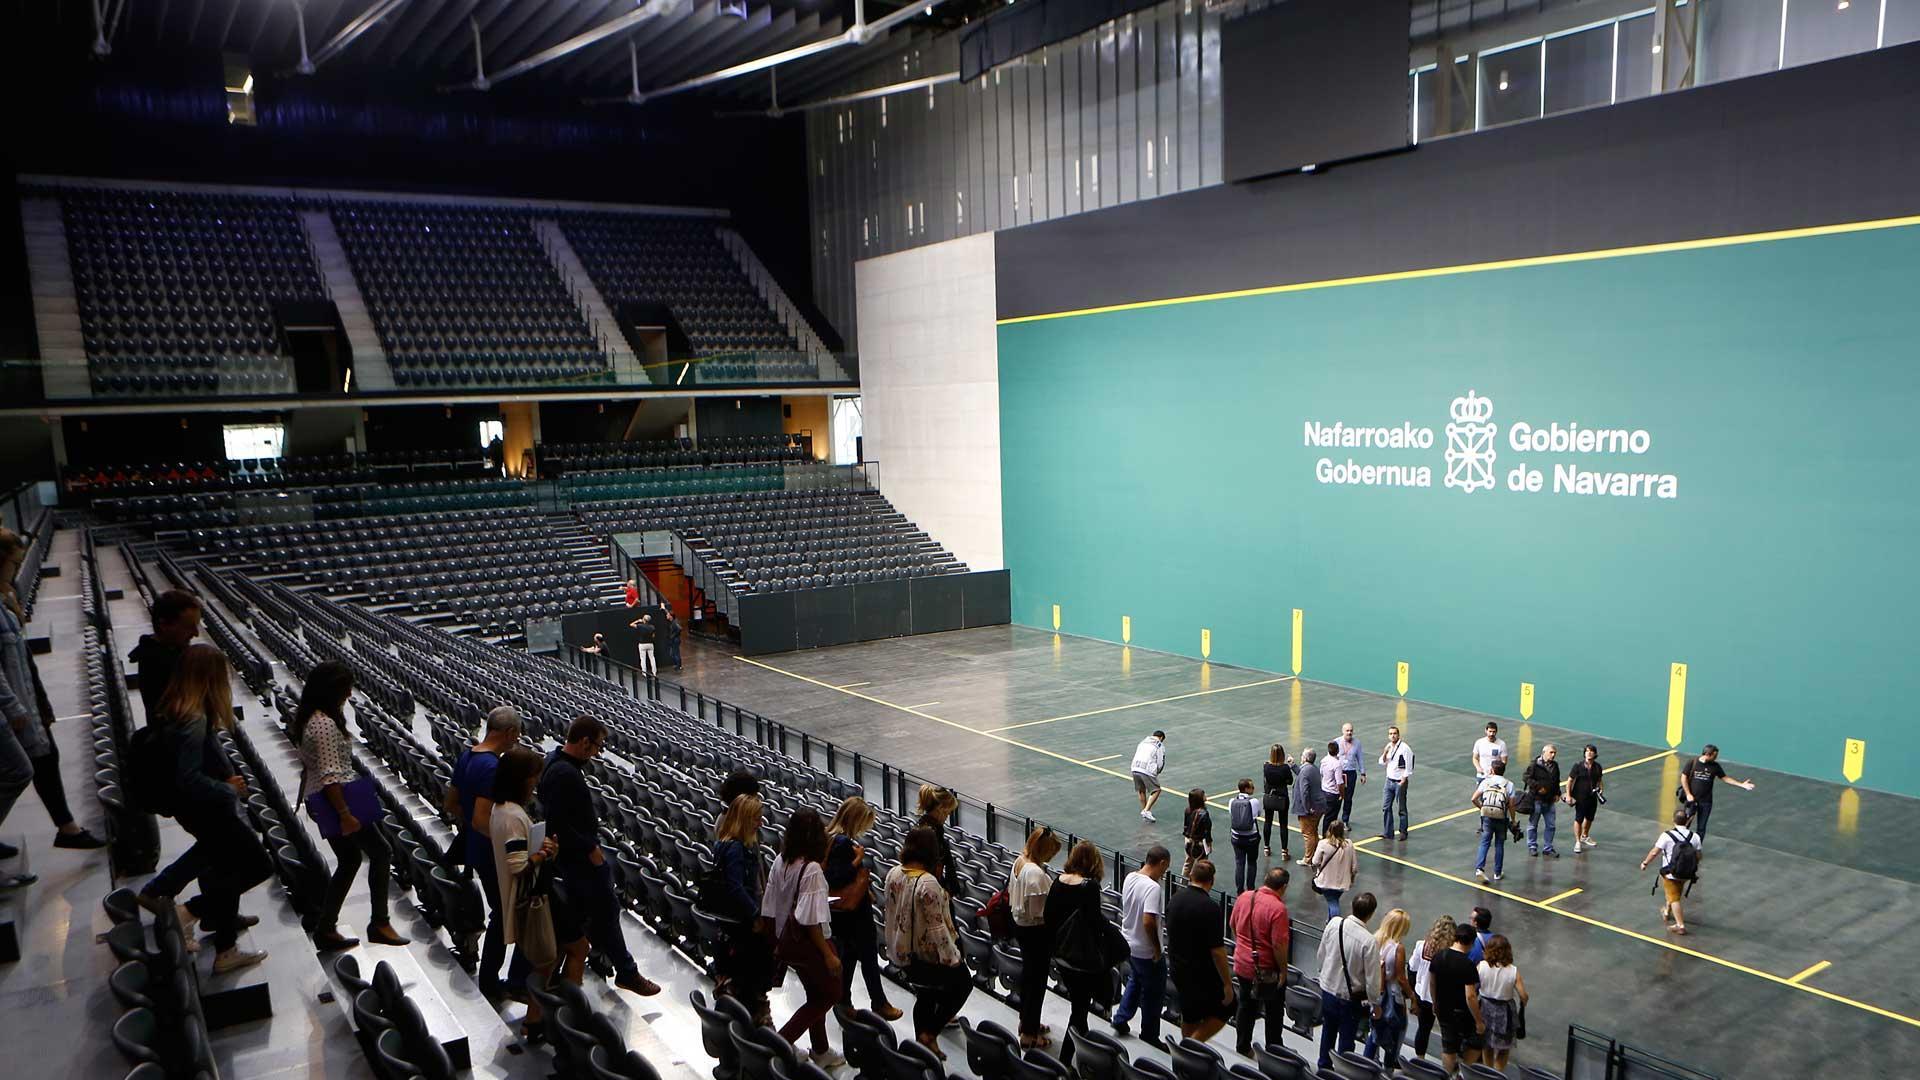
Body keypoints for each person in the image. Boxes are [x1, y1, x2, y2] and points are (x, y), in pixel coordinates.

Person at [134, 645, 273, 973]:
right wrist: (227, 787)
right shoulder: (193, 720)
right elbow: (188, 777)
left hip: (200, 810)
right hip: (209, 809)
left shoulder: (179, 708)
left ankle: (225, 949)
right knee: (257, 867)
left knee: (224, 869)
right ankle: (188, 912)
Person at [1, 533, 106, 859]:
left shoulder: (5, 598)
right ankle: (67, 828)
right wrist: (17, 708)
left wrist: (38, 703)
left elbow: (22, 661)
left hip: (26, 695)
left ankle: (67, 827)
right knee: (23, 768)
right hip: (13, 705)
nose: (17, 569)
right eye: (14, 562)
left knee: (45, 756)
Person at [541, 715, 661, 995]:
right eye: (597, 746)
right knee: (606, 912)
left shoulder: (554, 763)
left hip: (576, 857)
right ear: (584, 742)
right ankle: (627, 972)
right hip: (581, 859)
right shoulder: (564, 773)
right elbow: (558, 822)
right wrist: (590, 849)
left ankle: (554, 977)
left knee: (584, 918)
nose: (597, 752)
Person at [291, 661, 405, 952]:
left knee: (351, 860)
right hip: (338, 800)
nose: (349, 694)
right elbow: (331, 775)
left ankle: (326, 928)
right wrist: (345, 814)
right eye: (344, 689)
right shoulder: (325, 724)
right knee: (381, 852)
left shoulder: (310, 718)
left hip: (327, 798)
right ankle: (379, 922)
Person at [490, 747, 588, 1037]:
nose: (536, 782)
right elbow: (518, 864)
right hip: (538, 897)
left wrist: (546, 850)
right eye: (533, 776)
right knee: (577, 948)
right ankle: (572, 1014)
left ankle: (534, 1020)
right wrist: (543, 854)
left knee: (549, 959)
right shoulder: (512, 816)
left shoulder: (502, 809)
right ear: (520, 779)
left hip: (537, 892)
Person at [447, 705, 524, 997]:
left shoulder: (468, 755)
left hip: (476, 849)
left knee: (502, 912)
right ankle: (491, 982)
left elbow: (451, 803)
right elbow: (481, 819)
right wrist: (509, 844)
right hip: (491, 853)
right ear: (510, 733)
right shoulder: (491, 767)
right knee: (503, 915)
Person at [763, 807, 844, 1068]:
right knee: (830, 993)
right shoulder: (812, 870)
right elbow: (810, 921)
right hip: (807, 944)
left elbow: (770, 904)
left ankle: (821, 1050)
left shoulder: (780, 861)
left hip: (786, 941)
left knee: (814, 992)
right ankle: (781, 1042)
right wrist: (828, 955)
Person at [883, 826, 971, 1059]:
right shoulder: (928, 883)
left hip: (902, 954)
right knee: (963, 985)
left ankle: (924, 1044)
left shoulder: (893, 873)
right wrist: (952, 958)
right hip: (927, 958)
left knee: (925, 996)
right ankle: (929, 1034)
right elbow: (938, 928)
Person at [827, 796, 900, 1021]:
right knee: (868, 955)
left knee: (849, 957)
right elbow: (835, 877)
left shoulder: (830, 838)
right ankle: (878, 1002)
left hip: (843, 912)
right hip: (854, 914)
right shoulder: (842, 843)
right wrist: (857, 861)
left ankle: (844, 1000)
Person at [1046, 841, 1113, 1069]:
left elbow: (1049, 916)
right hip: (1080, 959)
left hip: (1061, 954)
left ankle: (1073, 1056)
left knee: (1079, 1007)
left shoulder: (1057, 881)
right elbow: (1095, 925)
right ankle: (1066, 1060)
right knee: (1080, 1010)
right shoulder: (1090, 887)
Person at [712, 794, 771, 1023]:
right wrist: (756, 914)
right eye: (756, 818)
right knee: (750, 973)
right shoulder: (737, 848)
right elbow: (736, 887)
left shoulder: (723, 844)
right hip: (742, 923)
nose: (760, 822)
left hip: (730, 922)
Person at [1167, 859, 1234, 1042]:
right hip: (1200, 973)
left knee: (1190, 1013)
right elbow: (1217, 951)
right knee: (1228, 1007)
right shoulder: (1210, 907)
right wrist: (1227, 983)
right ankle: (1191, 1046)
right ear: (1211, 881)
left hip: (1177, 968)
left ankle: (1187, 1050)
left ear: (1191, 876)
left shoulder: (1175, 898)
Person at [1008, 826, 1063, 1048]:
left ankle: (1027, 1022)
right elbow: (1040, 914)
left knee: (1029, 978)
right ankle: (1029, 1034)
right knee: (1036, 983)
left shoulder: (1020, 861)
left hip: (1022, 928)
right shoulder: (1036, 875)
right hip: (1035, 934)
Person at [1109, 844, 1170, 1042]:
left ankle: (1121, 1016)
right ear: (1161, 863)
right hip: (1146, 950)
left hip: (1128, 943)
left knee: (1135, 981)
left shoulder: (1130, 877)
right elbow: (1148, 920)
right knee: (1154, 994)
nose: (1164, 873)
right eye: (1165, 868)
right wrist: (1156, 948)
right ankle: (1150, 1035)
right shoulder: (1153, 888)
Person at [1315, 892, 1382, 1070]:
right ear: (1371, 914)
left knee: (1328, 1030)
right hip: (1349, 998)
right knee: (1346, 1039)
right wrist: (1375, 1003)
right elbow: (1372, 979)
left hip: (1328, 989)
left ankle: (1324, 1067)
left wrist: (1323, 973)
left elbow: (1321, 953)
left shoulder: (1334, 924)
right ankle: (1343, 1071)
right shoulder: (1369, 941)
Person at [1230, 867, 1291, 1056]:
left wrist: (1243, 947)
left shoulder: (1245, 897)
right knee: (1274, 1011)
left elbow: (1232, 924)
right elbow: (1279, 945)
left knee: (1245, 1005)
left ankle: (1243, 1047)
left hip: (1241, 963)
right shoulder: (1278, 909)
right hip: (1265, 969)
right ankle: (1273, 1050)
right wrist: (1283, 970)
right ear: (1284, 887)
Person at [128, 590, 203, 720]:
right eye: (188, 626)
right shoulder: (158, 663)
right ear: (164, 625)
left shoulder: (171, 652)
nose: (196, 633)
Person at [1432, 922, 1487, 1075]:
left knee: (1448, 1045)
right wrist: (1478, 1021)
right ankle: (1463, 1072)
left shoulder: (1438, 956)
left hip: (1443, 1007)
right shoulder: (1467, 965)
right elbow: (1470, 996)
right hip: (1461, 1012)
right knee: (1477, 1041)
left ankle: (1446, 1074)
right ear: (1471, 942)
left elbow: (1432, 982)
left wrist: (1435, 1002)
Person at [1363, 908, 1413, 1070]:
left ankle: (1365, 1066)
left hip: (1374, 991)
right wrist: (1412, 996)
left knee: (1375, 1031)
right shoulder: (1398, 948)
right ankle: (1388, 1069)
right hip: (1393, 996)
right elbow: (1400, 977)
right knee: (1395, 1033)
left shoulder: (1374, 939)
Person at [1639, 808, 1702, 935]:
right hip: (1686, 873)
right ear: (1687, 820)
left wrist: (1645, 863)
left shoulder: (1666, 836)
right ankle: (1667, 911)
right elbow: (1699, 855)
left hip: (1670, 873)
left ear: (1673, 820)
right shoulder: (1695, 837)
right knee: (1675, 892)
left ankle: (1680, 925)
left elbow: (1654, 852)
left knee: (1674, 898)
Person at [1680, 744, 1755, 845]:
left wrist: (1741, 784)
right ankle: (1679, 845)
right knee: (1685, 824)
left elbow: (1725, 778)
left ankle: (1697, 848)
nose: (1716, 758)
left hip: (1706, 802)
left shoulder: (1715, 766)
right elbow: (1683, 778)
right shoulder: (1692, 762)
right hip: (1691, 800)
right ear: (1707, 754)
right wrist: (1688, 794)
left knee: (1701, 828)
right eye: (1714, 756)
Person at [1475, 934, 1528, 1071]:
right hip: (1505, 1011)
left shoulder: (1481, 966)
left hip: (1485, 1008)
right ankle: (1498, 1074)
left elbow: (1472, 986)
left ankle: (1488, 1071)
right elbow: (1523, 995)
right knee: (1504, 1048)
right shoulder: (1513, 971)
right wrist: (1523, 1002)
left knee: (1487, 1045)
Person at [1408, 915, 1456, 1062]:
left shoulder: (1421, 945)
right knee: (1447, 1033)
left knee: (1423, 1028)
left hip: (1422, 994)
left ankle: (1419, 1059)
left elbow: (1411, 969)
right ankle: (1447, 1064)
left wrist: (1413, 994)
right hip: (1442, 998)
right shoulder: (1450, 953)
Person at [1472, 760, 1515, 882]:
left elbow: (1474, 798)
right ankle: (1497, 872)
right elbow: (1512, 805)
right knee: (1499, 844)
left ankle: (1479, 868)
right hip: (1501, 817)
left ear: (1492, 770)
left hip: (1487, 817)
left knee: (1485, 842)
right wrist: (1513, 820)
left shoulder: (1486, 782)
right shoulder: (1509, 785)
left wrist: (1483, 808)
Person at [915, 784, 962, 895]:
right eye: (947, 812)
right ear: (940, 809)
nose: (947, 817)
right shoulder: (932, 835)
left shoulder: (920, 828)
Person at [1522, 744, 1567, 858]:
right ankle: (1532, 846)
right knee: (1533, 825)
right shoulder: (1535, 765)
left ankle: (1548, 848)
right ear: (1544, 752)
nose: (1553, 755)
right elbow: (1526, 777)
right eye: (1551, 752)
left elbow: (1556, 781)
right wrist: (1538, 787)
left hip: (1550, 800)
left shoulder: (1555, 766)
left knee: (1551, 825)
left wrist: (1558, 793)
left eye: (1554, 753)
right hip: (1536, 800)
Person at [1310, 820, 1356, 922]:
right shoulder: (1349, 844)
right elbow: (1354, 867)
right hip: (1343, 882)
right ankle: (1330, 920)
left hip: (1326, 881)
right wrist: (1352, 879)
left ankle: (1334, 923)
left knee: (1333, 903)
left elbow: (1315, 861)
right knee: (1334, 901)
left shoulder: (1323, 843)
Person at [1378, 725, 1414, 842]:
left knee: (1401, 808)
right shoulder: (1389, 747)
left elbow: (1410, 763)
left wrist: (1404, 778)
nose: (1393, 735)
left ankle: (1403, 831)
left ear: (1398, 735)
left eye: (1395, 733)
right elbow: (1382, 762)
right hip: (1389, 780)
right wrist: (1384, 752)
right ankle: (1388, 832)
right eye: (1391, 734)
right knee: (1386, 806)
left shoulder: (1404, 748)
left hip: (1399, 781)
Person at [1226, 779, 1261, 894]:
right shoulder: (1253, 801)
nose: (1253, 789)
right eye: (1251, 787)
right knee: (1252, 863)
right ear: (1246, 789)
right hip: (1251, 837)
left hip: (1236, 837)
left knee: (1239, 863)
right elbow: (1257, 815)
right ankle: (1250, 889)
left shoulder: (1232, 801)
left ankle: (1239, 890)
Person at [1569, 744, 1605, 852]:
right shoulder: (1578, 766)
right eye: (1587, 751)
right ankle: (1577, 842)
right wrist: (1569, 795)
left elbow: (1599, 780)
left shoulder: (1598, 767)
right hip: (1580, 798)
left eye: (1591, 751)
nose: (1589, 753)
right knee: (1578, 819)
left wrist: (1601, 789)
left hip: (1592, 797)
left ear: (1595, 754)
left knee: (1589, 818)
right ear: (1584, 753)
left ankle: (1584, 836)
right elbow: (1570, 780)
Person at [1293, 748, 1324, 867]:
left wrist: (1306, 808)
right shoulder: (1313, 769)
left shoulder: (1305, 771)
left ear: (1305, 758)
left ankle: (1308, 859)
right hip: (1319, 806)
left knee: (1308, 834)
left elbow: (1304, 792)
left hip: (1309, 809)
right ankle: (1315, 856)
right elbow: (1302, 774)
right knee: (1313, 832)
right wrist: (1293, 766)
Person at [1261, 744, 1293, 860]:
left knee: (1268, 822)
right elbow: (1290, 781)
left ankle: (1266, 847)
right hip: (1282, 798)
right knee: (1283, 824)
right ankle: (1284, 851)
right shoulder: (1284, 768)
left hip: (1269, 797)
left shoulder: (1266, 767)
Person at [1131, 730, 1167, 821]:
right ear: (1161, 738)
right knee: (1156, 790)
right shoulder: (1159, 745)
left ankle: (1144, 810)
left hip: (1135, 767)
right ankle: (1146, 811)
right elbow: (1160, 762)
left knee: (1141, 790)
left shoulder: (1142, 742)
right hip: (1146, 769)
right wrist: (1156, 772)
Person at [1334, 723, 1365, 825]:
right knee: (1337, 796)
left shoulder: (1357, 743)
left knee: (1348, 798)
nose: (1349, 732)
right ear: (1342, 731)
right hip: (1339, 772)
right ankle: (1333, 819)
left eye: (1351, 730)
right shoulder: (1336, 742)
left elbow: (1360, 758)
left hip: (1351, 773)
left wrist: (1363, 773)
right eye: (1347, 731)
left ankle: (1345, 820)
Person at [1180, 787, 1213, 879]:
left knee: (1187, 863)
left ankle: (1182, 883)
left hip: (1189, 839)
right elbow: (1207, 831)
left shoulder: (1187, 810)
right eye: (1204, 795)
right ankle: (1198, 882)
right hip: (1200, 841)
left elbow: (1186, 826)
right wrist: (1209, 843)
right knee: (1202, 865)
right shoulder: (1204, 813)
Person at [1318, 740, 1346, 839]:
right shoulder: (1337, 764)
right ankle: (1327, 838)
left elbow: (1321, 773)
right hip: (1333, 794)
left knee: (1327, 816)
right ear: (1337, 751)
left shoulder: (1324, 760)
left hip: (1324, 791)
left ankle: (1326, 837)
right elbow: (1339, 782)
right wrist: (1342, 795)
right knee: (1331, 818)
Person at [628, 613, 657, 678]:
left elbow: (631, 624)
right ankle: (654, 672)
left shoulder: (640, 626)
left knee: (643, 659)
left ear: (644, 620)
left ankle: (644, 673)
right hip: (650, 644)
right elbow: (653, 636)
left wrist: (638, 621)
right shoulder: (652, 627)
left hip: (642, 644)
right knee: (652, 658)